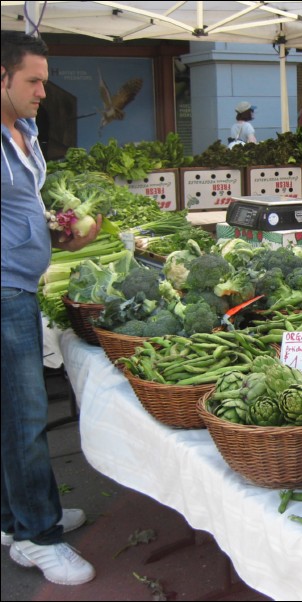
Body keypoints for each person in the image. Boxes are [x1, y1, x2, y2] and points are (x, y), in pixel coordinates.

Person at [2, 30, 101, 586]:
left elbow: (21, 208)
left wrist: (57, 235)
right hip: (4, 291)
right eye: (33, 81)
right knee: (24, 417)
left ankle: (15, 520)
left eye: (45, 79)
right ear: (2, 78)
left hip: (21, 284)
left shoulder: (25, 132)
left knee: (10, 415)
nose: (44, 90)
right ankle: (41, 537)